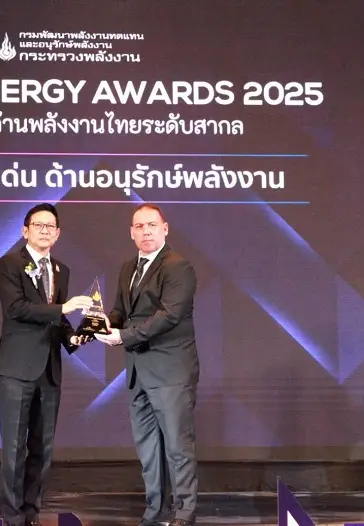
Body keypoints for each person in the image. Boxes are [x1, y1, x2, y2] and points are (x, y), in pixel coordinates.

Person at [96, 204, 200, 526]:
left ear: (165, 228)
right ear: (131, 233)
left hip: (170, 371)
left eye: (151, 225)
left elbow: (169, 316)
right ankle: (155, 512)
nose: (146, 231)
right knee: (148, 450)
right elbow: (120, 310)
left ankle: (183, 514)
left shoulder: (178, 267)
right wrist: (104, 324)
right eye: (139, 226)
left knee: (177, 447)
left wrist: (123, 336)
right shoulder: (128, 268)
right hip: (137, 372)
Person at [0, 203, 94, 526]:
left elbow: (57, 321)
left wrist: (74, 338)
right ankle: (12, 518)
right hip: (16, 370)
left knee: (42, 449)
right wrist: (63, 308)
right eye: (39, 225)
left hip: (49, 371)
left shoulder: (61, 270)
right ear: (25, 231)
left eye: (51, 226)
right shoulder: (9, 264)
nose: (45, 231)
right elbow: (17, 309)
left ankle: (31, 514)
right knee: (14, 449)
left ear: (58, 234)